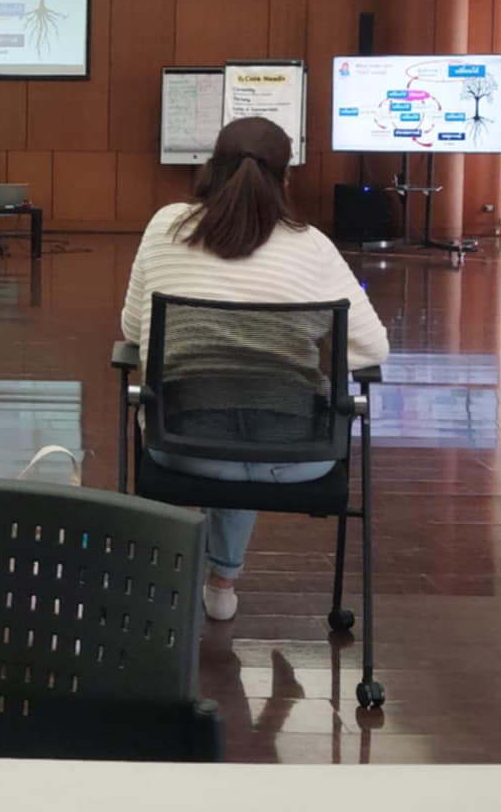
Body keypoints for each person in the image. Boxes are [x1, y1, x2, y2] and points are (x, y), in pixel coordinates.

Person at [119, 117, 389, 623]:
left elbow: (133, 330)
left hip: (181, 447)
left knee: (221, 416)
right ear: (286, 179)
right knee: (253, 411)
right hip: (298, 456)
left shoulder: (166, 226)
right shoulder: (312, 245)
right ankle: (222, 581)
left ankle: (185, 579)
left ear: (210, 169)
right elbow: (372, 347)